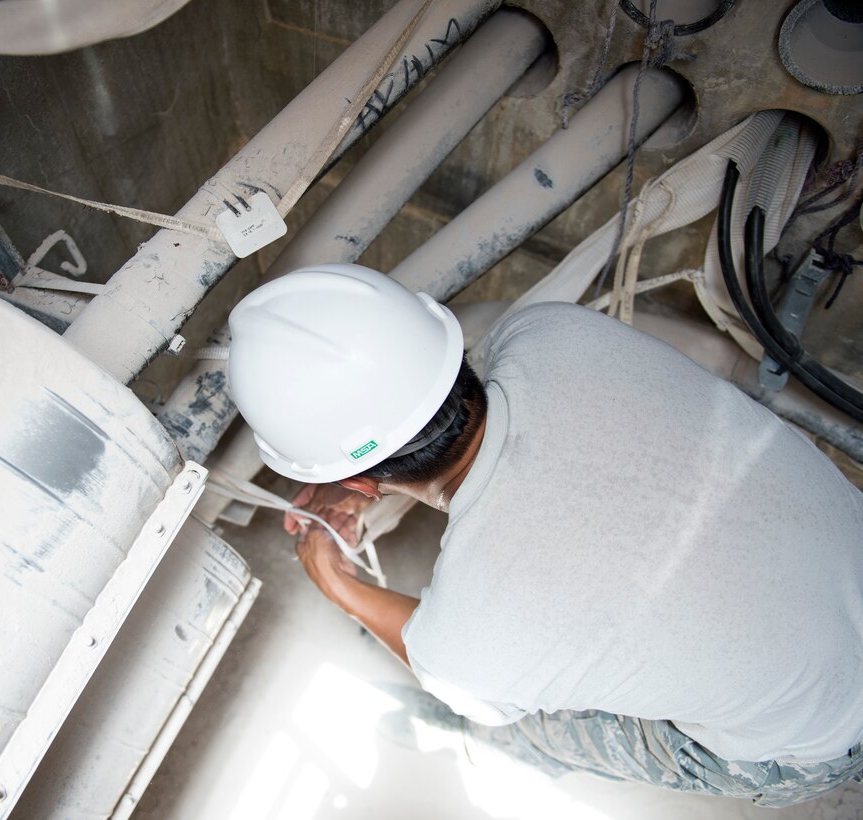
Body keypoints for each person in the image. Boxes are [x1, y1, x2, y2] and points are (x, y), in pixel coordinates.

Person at [226, 262, 863, 807]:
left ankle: (504, 749)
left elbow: (444, 665)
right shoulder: (551, 331)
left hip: (821, 743)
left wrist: (338, 585)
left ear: (361, 484)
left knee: (534, 721)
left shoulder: (473, 636)